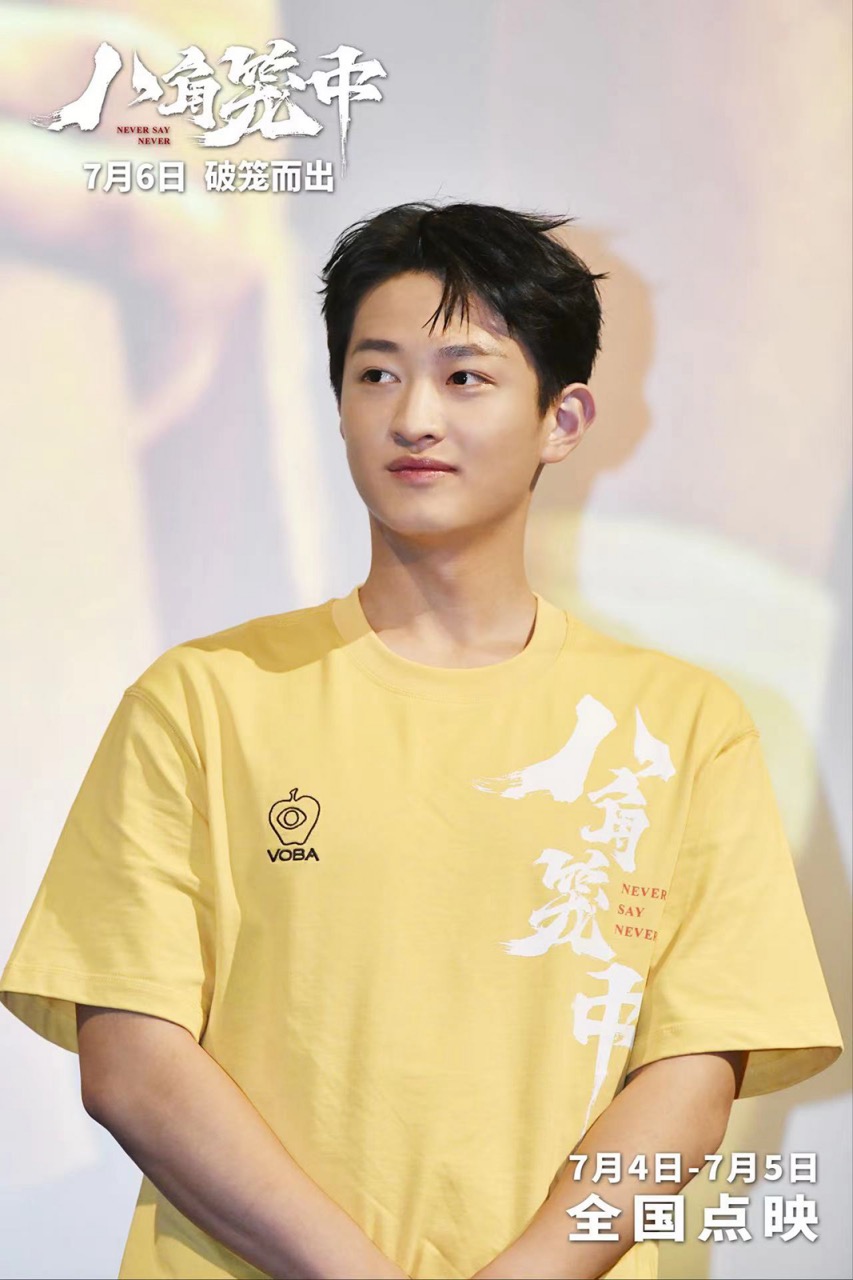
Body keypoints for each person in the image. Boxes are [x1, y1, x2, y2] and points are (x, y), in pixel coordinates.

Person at [0, 200, 843, 1280]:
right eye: (376, 374)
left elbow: (692, 1071)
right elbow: (129, 1060)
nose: (413, 417)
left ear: (563, 419)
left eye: (465, 377)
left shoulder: (682, 725)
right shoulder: (202, 698)